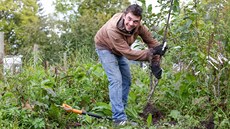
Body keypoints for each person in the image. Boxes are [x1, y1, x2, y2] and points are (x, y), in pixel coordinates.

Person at [94, 4, 167, 126]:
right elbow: (129, 54)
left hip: (119, 49)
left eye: (135, 21)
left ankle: (121, 108)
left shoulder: (140, 27)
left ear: (139, 21)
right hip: (105, 48)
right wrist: (152, 53)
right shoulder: (113, 29)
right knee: (116, 80)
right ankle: (119, 118)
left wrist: (155, 62)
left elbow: (152, 43)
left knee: (126, 80)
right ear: (124, 16)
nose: (131, 23)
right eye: (129, 19)